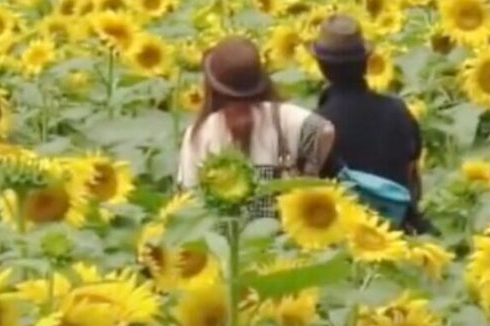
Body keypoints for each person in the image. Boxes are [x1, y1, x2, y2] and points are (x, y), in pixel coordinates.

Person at [309, 14, 430, 233]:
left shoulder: (315, 125)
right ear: (366, 63)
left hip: (341, 242)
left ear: (321, 67)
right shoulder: (398, 111)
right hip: (397, 233)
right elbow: (413, 175)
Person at [176, 36, 336, 193]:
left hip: (227, 219)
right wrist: (309, 172)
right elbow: (325, 131)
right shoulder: (283, 115)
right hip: (281, 216)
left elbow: (189, 190)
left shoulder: (201, 132)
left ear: (213, 87)